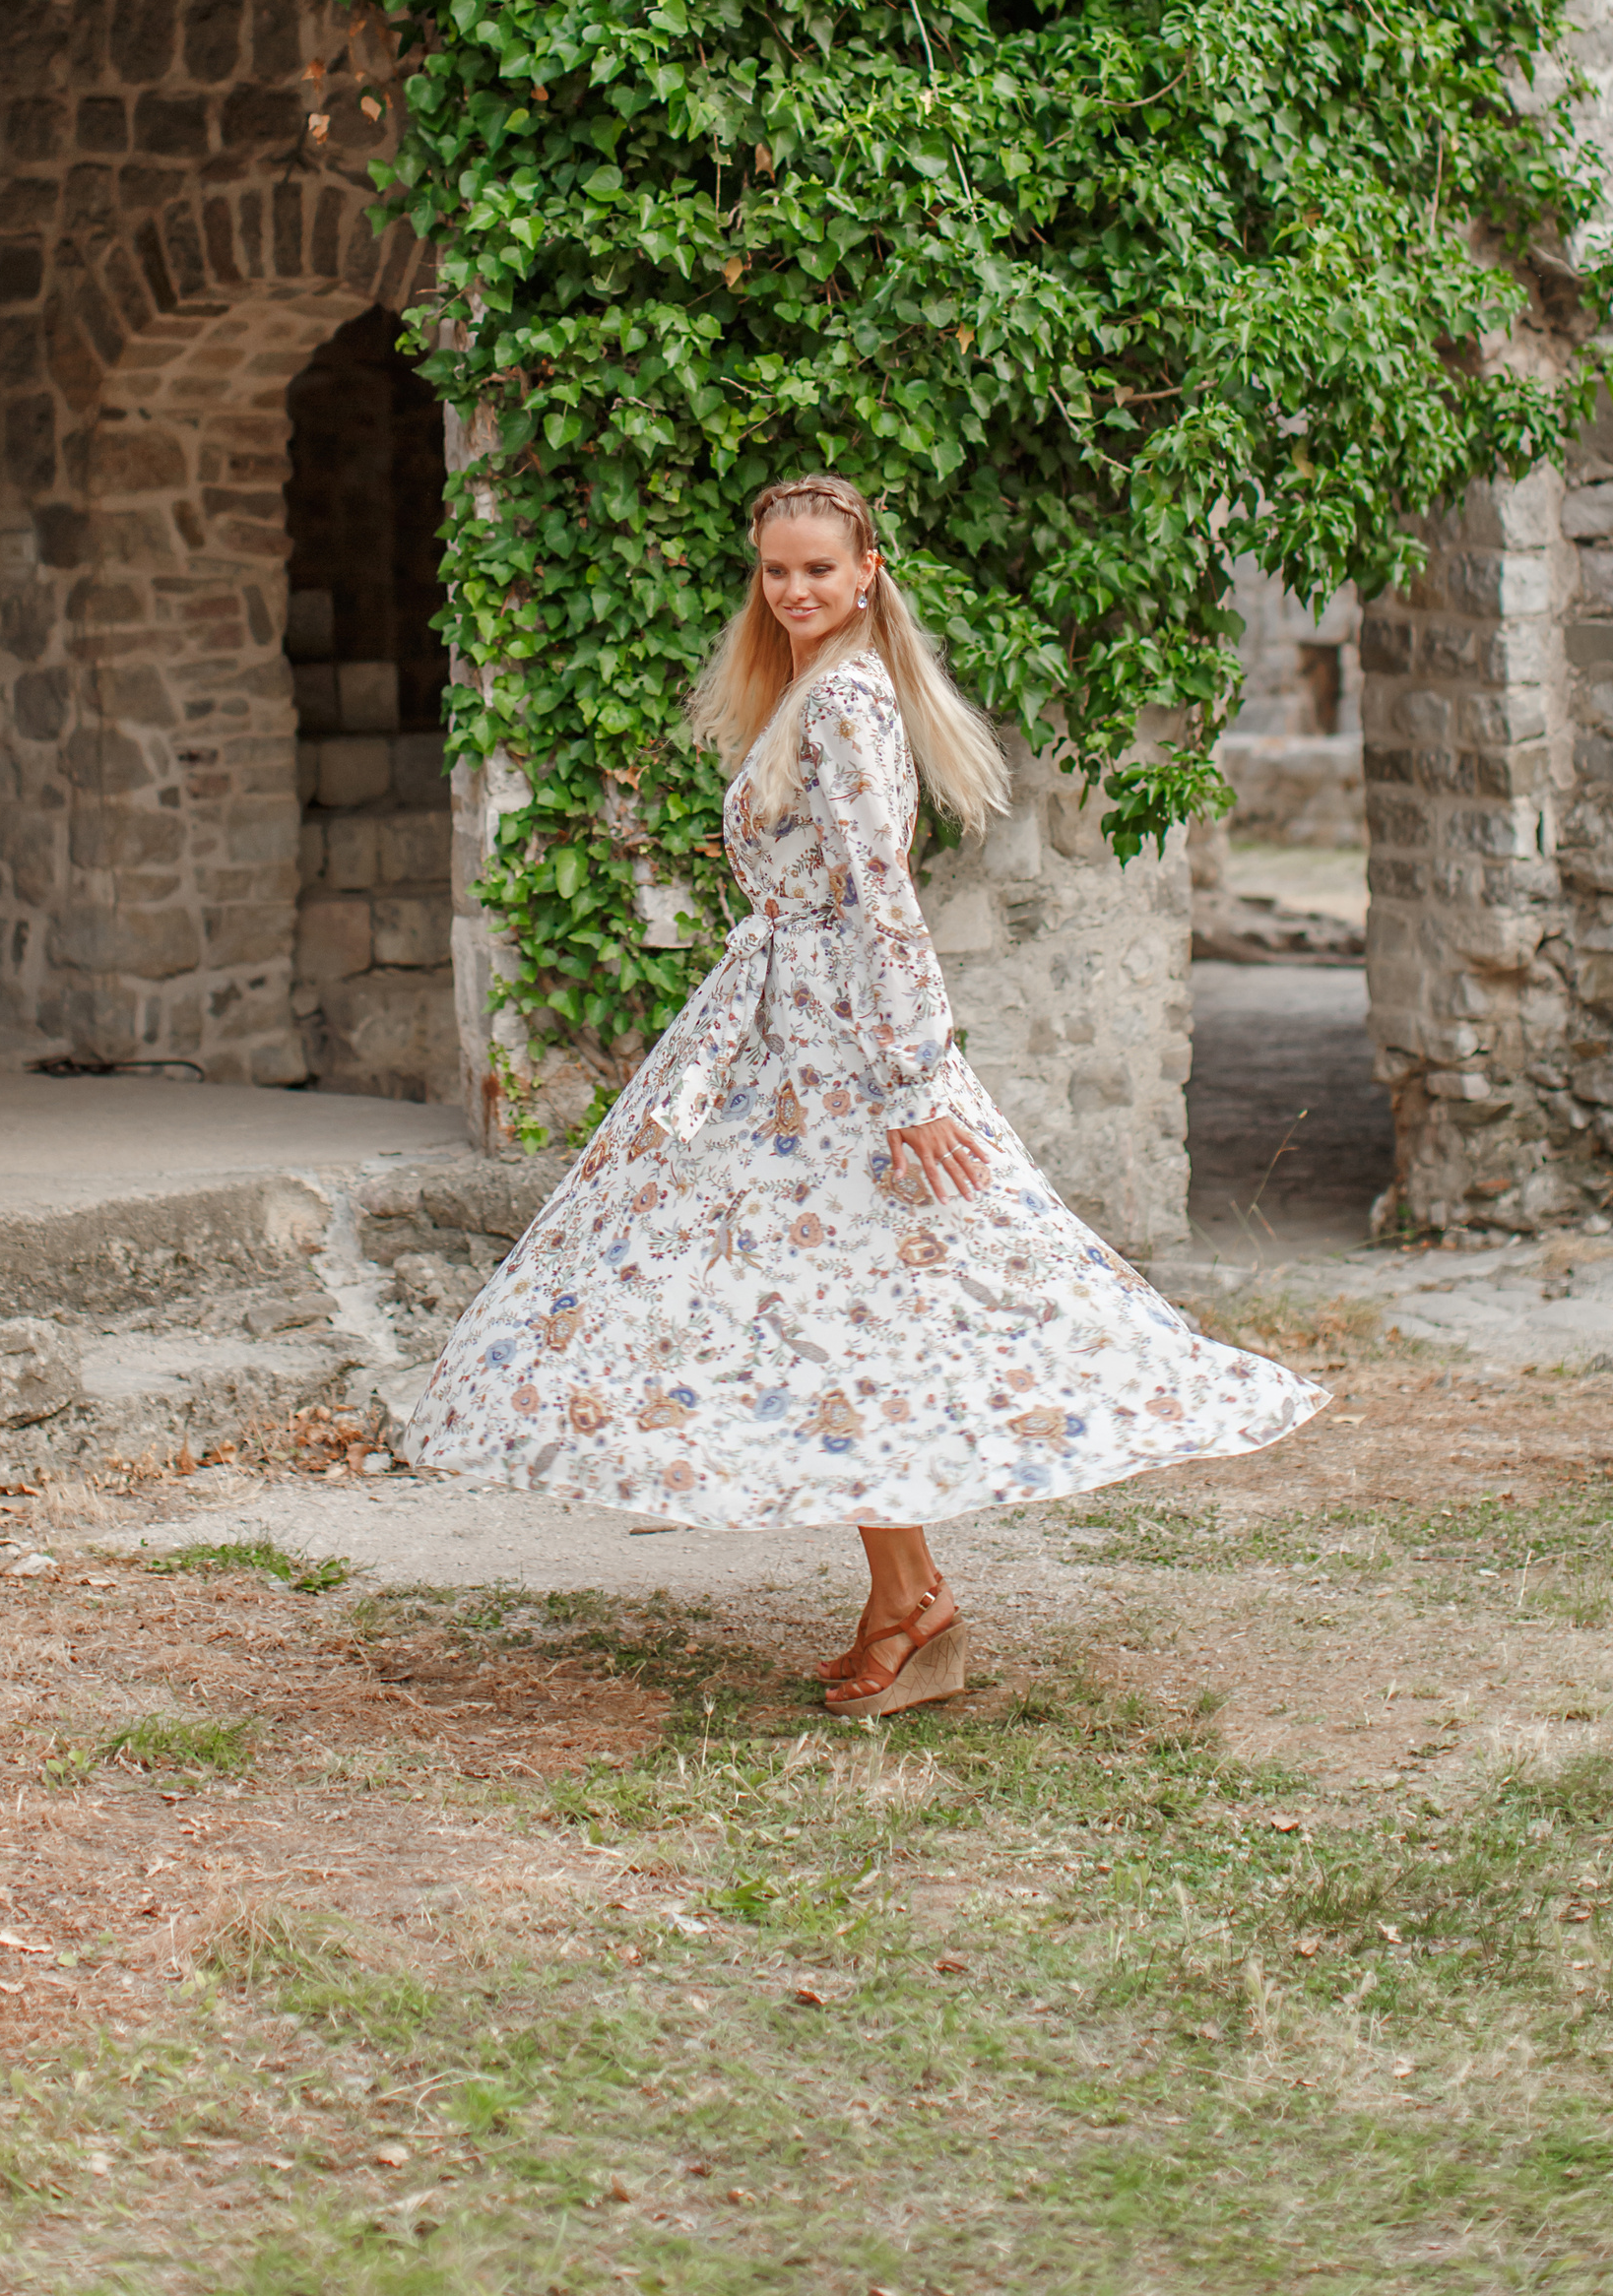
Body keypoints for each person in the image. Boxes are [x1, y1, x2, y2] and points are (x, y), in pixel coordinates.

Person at [406, 476, 1323, 1718]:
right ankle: (909, 1605)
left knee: (864, 1321)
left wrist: (910, 1082)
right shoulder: (807, 692)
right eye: (775, 572)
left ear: (868, 572)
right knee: (840, 1327)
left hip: (837, 1056)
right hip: (786, 1038)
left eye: (818, 572)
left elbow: (880, 900)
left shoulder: (843, 701)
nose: (793, 592)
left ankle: (915, 1606)